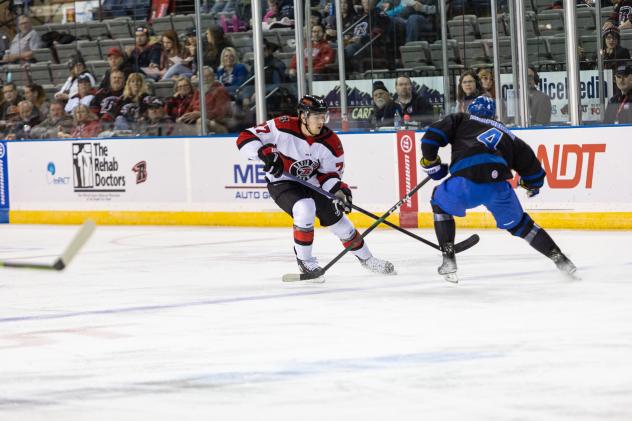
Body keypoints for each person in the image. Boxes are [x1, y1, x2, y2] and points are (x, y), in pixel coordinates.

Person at [419, 95, 577, 283]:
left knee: (439, 202)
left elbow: (430, 138)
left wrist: (432, 163)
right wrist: (531, 185)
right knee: (523, 226)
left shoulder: (461, 119)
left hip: (466, 182)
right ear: (493, 115)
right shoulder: (510, 136)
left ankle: (448, 257)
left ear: (471, 110)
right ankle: (560, 259)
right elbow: (534, 173)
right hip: (498, 187)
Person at [235, 95, 395, 279]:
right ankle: (306, 262)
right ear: (303, 116)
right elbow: (246, 136)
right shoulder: (282, 126)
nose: (321, 121)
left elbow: (329, 175)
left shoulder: (331, 141)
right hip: (282, 181)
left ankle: (367, 259)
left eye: (323, 116)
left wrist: (338, 192)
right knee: (305, 208)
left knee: (343, 226)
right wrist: (265, 155)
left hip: (313, 184)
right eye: (316, 116)